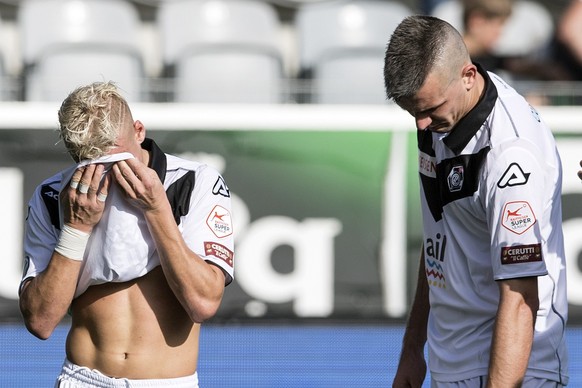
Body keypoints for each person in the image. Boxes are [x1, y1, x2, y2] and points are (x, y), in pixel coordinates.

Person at [384, 15, 568, 387]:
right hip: (452, 360)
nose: (421, 125)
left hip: (515, 367)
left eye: (428, 109)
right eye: (412, 112)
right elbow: (441, 233)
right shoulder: (443, 114)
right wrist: (412, 349)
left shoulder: (509, 155)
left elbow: (520, 299)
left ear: (468, 75)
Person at [19, 81, 234, 387]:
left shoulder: (193, 183)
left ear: (139, 131)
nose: (106, 174)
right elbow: (40, 322)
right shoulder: (54, 197)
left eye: (115, 160)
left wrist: (157, 209)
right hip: (83, 379)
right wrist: (75, 229)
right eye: (92, 164)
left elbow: (203, 303)